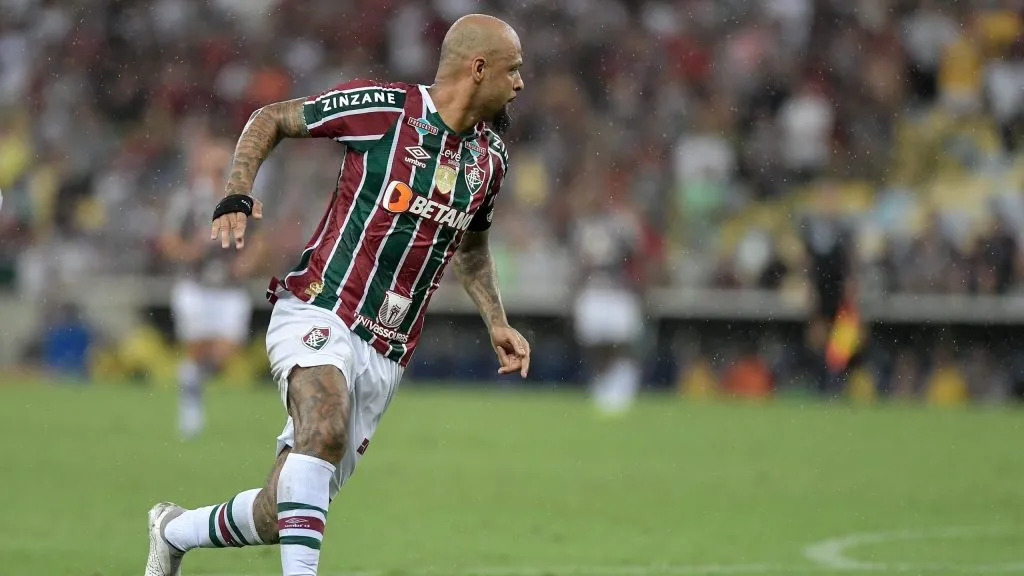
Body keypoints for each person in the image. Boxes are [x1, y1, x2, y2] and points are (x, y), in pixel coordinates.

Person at [144, 13, 530, 576]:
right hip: (321, 306)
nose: (520, 82)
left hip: (386, 353)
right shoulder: (388, 111)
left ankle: (172, 530)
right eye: (514, 69)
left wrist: (496, 319)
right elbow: (272, 117)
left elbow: (471, 249)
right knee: (323, 426)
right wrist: (235, 192)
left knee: (282, 510)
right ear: (479, 68)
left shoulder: (489, 160)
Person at [160, 134, 264, 439]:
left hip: (231, 287)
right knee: (198, 346)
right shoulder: (189, 200)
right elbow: (168, 240)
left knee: (225, 351)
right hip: (196, 285)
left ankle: (191, 381)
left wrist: (248, 261)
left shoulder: (243, 199)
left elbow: (259, 240)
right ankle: (191, 408)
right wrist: (189, 250)